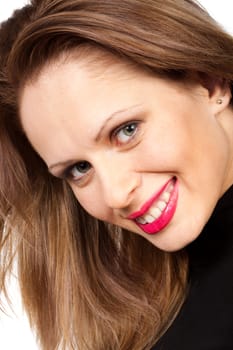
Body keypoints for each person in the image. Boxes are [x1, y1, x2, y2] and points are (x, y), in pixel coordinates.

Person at [0, 0, 233, 349]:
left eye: (126, 131)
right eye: (79, 169)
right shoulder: (163, 311)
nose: (115, 194)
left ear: (210, 84)